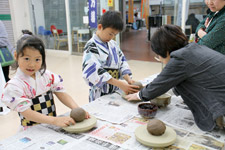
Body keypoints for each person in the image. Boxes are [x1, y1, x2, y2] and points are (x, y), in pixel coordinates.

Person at [126, 24, 225, 132]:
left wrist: (138, 95)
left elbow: (159, 84)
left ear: (166, 51)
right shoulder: (194, 48)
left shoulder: (180, 58)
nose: (159, 59)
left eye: (158, 56)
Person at [1, 34, 90, 129]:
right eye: (26, 58)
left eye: (37, 59)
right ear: (16, 56)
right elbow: (28, 114)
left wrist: (76, 109)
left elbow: (61, 94)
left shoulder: (47, 76)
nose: (32, 64)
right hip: (31, 129)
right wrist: (55, 120)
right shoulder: (14, 86)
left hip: (52, 125)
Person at [82, 10, 139, 102]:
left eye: (114, 35)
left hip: (115, 90)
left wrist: (128, 79)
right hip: (99, 93)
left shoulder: (113, 45)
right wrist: (120, 84)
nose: (111, 37)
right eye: (110, 33)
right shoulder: (91, 46)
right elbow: (93, 71)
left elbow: (122, 62)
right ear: (100, 27)